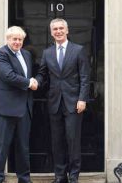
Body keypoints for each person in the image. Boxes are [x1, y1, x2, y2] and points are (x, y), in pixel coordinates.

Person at [35, 18, 90, 183]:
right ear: (51, 32)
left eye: (61, 28)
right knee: (57, 141)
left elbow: (85, 77)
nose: (58, 31)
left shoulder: (78, 50)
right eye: (55, 29)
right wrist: (35, 81)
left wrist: (82, 99)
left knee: (73, 140)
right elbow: (42, 74)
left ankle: (73, 176)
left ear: (67, 30)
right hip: (54, 103)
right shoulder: (47, 53)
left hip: (74, 103)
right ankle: (60, 175)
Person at [0, 26, 37, 183]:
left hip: (24, 108)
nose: (17, 42)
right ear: (7, 39)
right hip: (5, 109)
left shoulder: (27, 55)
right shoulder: (0, 54)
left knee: (23, 147)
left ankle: (24, 179)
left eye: (20, 39)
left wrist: (35, 81)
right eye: (14, 39)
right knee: (2, 147)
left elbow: (31, 75)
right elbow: (8, 76)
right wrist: (29, 83)